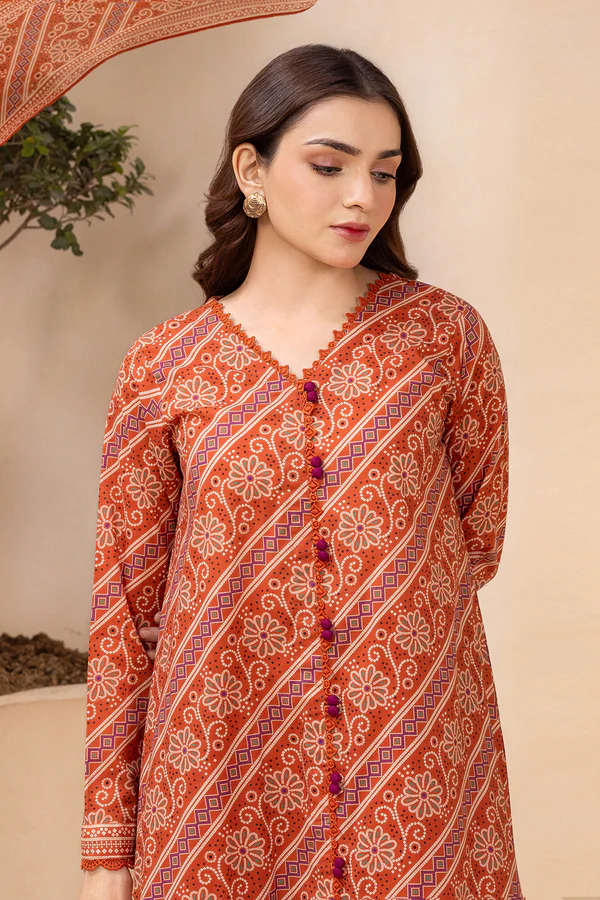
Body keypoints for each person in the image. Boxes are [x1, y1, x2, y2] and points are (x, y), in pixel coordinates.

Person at [79, 43, 526, 900]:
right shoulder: (163, 366)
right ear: (252, 170)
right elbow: (126, 619)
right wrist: (106, 863)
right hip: (217, 789)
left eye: (385, 172)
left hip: (415, 781)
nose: (363, 196)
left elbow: (473, 545)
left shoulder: (446, 339)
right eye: (330, 166)